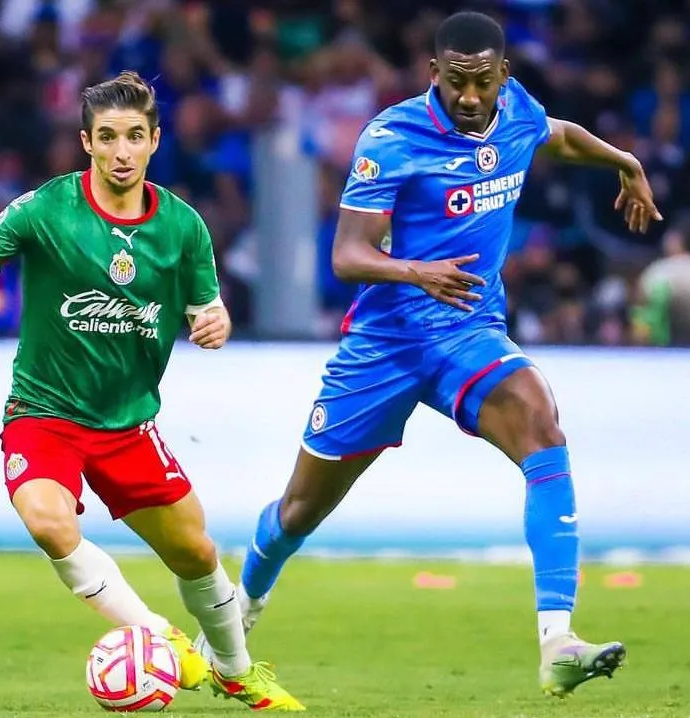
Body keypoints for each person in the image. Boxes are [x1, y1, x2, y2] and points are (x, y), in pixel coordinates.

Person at [220, 11, 662, 699]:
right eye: (456, 81)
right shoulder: (390, 137)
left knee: (541, 424)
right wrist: (415, 271)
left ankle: (557, 641)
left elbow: (557, 136)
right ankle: (237, 615)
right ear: (434, 73)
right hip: (385, 343)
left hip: (466, 331)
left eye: (482, 82)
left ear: (503, 76)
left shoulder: (515, 110)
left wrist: (624, 162)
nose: (469, 96)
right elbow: (347, 254)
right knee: (299, 511)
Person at [0, 71, 304, 712]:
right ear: (87, 142)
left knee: (196, 552)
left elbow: (207, 308)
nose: (121, 151)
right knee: (49, 522)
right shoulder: (47, 209)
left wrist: (215, 321)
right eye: (108, 137)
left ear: (154, 140)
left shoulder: (184, 227)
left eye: (134, 136)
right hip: (44, 415)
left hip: (129, 425)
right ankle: (159, 638)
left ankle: (235, 671)